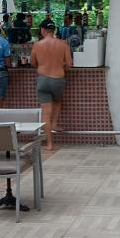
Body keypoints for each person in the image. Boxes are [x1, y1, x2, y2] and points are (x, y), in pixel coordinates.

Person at [30, 19, 73, 150]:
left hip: (43, 79)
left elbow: (33, 63)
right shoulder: (63, 44)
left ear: (43, 30)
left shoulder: (37, 45)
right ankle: (54, 123)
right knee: (58, 101)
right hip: (58, 78)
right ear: (53, 30)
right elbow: (69, 65)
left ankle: (49, 144)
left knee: (46, 113)